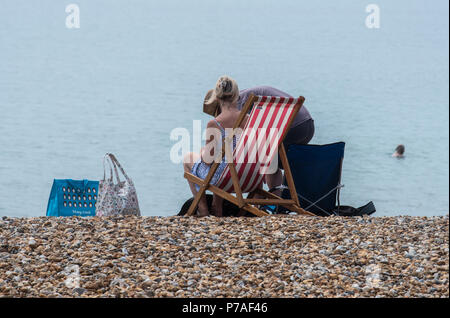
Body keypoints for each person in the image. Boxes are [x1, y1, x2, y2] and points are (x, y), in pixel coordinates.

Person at [183, 75, 249, 217]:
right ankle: (216, 206)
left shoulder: (214, 123)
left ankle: (203, 209)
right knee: (222, 160)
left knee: (188, 159)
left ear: (217, 98)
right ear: (237, 96)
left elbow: (207, 160)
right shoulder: (249, 119)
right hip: (246, 175)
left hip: (224, 179)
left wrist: (202, 152)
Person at [238, 86, 314, 196]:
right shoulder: (245, 95)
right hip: (308, 125)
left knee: (267, 161)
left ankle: (269, 201)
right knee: (272, 162)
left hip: (293, 125)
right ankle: (276, 200)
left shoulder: (237, 104)